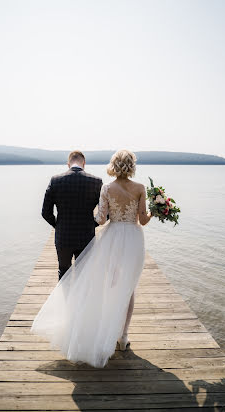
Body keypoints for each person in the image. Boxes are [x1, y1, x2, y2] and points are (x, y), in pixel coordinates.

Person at [30, 149, 152, 368]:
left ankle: (88, 324)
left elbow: (101, 219)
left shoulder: (104, 187)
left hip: (108, 237)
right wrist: (157, 212)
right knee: (128, 286)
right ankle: (122, 336)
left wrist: (67, 224)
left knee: (106, 282)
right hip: (132, 238)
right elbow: (143, 220)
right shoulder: (137, 187)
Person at [41, 150, 103, 280]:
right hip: (86, 236)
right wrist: (93, 224)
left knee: (63, 273)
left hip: (63, 236)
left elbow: (45, 212)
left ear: (68, 164)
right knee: (84, 275)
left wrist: (58, 224)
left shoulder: (55, 180)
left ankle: (63, 300)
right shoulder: (96, 182)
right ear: (84, 163)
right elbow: (106, 212)